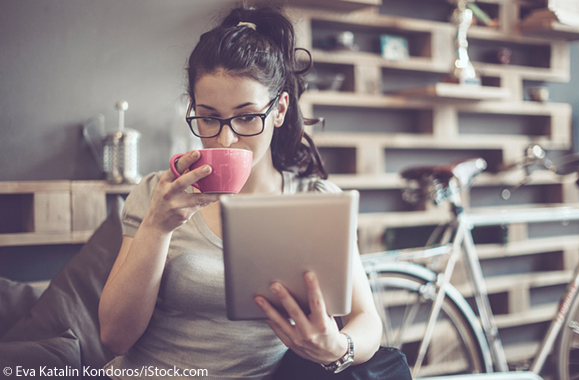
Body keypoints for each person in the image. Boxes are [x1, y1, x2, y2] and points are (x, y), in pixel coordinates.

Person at [98, 3, 383, 379]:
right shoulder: (159, 193)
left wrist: (337, 348)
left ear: (279, 110)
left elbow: (366, 321)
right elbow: (114, 338)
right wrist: (157, 227)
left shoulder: (316, 200)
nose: (226, 138)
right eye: (209, 117)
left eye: (247, 116)